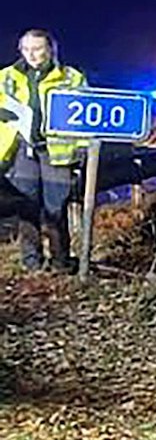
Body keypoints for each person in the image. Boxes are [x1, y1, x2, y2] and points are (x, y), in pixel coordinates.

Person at [0, 30, 88, 272]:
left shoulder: (71, 77)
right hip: (20, 151)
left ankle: (60, 262)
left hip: (57, 153)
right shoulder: (6, 76)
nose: (32, 54)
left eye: (38, 48)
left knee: (55, 208)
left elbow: (86, 120)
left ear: (51, 50)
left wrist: (80, 153)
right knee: (26, 207)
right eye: (26, 49)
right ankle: (32, 263)